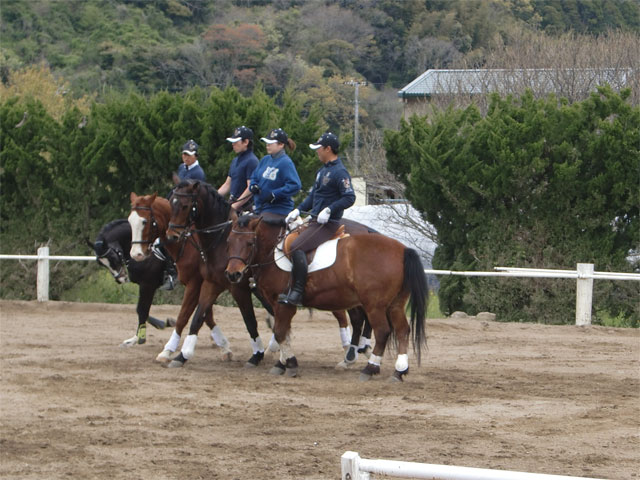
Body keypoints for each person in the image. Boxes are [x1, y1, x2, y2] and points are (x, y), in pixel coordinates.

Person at [279, 132, 355, 306]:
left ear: (328, 149)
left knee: (296, 246)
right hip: (314, 220)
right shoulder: (322, 171)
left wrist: (330, 209)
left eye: (319, 149)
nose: (317, 152)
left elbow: (349, 197)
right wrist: (298, 210)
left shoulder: (340, 172)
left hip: (328, 224)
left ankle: (298, 292)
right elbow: (313, 196)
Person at [161, 139, 206, 290]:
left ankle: (173, 272)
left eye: (189, 155)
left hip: (189, 211)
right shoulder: (182, 168)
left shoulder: (197, 173)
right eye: (184, 154)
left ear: (196, 156)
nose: (185, 157)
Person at [249, 128, 302, 217]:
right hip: (260, 207)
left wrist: (275, 194)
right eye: (267, 143)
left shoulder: (286, 162)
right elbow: (254, 176)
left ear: (281, 145)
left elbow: (295, 185)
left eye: (270, 143)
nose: (267, 145)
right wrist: (253, 185)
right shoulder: (265, 159)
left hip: (278, 209)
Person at [218, 126, 259, 212]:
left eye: (236, 142)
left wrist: (235, 205)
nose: (233, 144)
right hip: (232, 202)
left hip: (244, 208)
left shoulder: (252, 161)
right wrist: (213, 196)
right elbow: (227, 185)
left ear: (246, 142)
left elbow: (250, 188)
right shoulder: (235, 161)